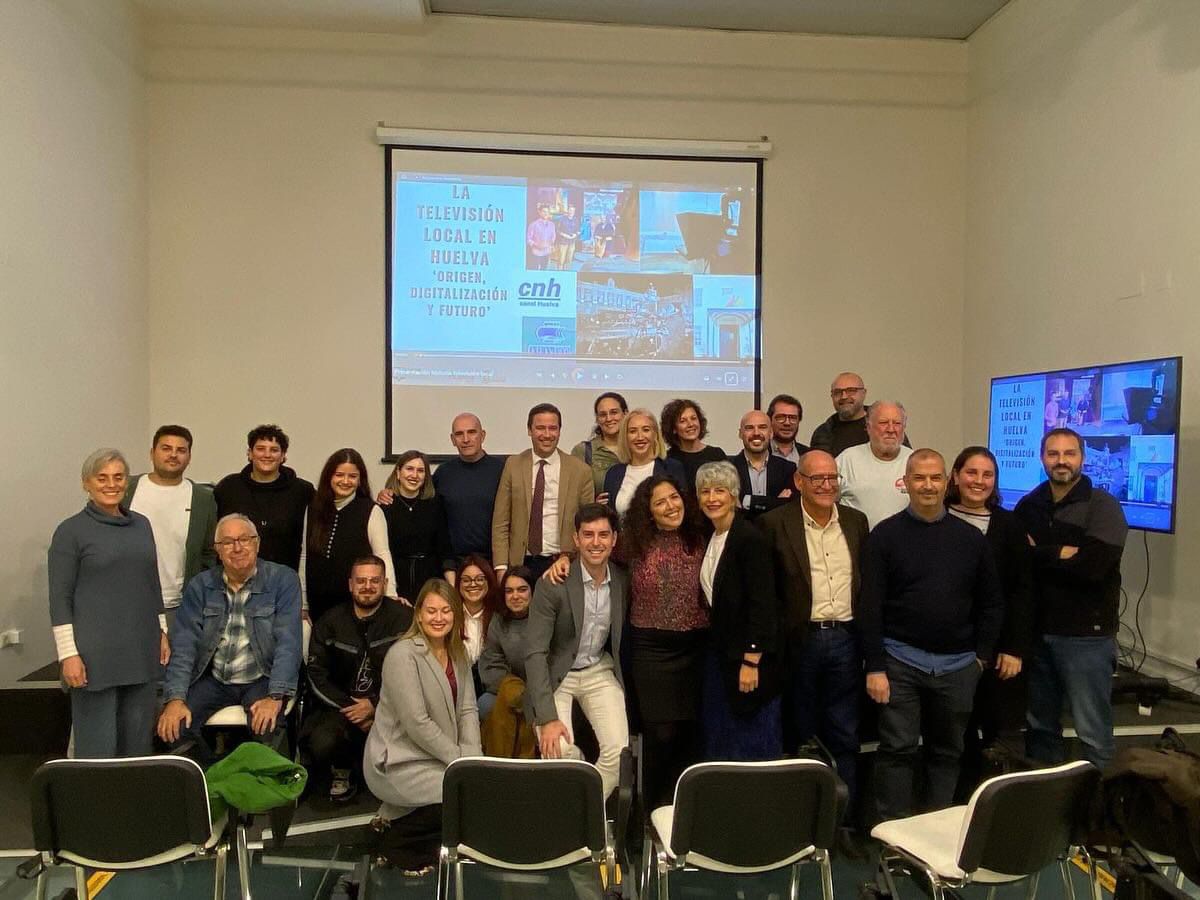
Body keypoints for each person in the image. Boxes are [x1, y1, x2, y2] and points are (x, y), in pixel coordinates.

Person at [859, 450, 1004, 820]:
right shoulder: (884, 536)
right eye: (919, 478)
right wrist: (875, 666)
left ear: (947, 481)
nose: (927, 486)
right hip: (900, 662)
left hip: (959, 667)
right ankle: (891, 834)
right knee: (897, 749)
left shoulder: (971, 539)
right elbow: (870, 605)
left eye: (935, 478)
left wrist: (980, 659)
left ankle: (934, 830)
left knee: (947, 752)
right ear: (905, 483)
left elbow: (991, 604)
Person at [758, 449, 869, 805]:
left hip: (846, 639)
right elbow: (768, 592)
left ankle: (842, 823)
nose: (826, 485)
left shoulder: (856, 521)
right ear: (799, 482)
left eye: (832, 478)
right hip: (800, 641)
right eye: (817, 478)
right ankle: (803, 818)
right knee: (801, 731)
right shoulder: (775, 524)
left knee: (845, 734)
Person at [1014, 428, 1127, 770]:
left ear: (1082, 457)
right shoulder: (1029, 505)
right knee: (1040, 728)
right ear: (1042, 457)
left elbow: (1094, 567)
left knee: (1092, 731)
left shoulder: (1103, 506)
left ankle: (1103, 811)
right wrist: (1060, 553)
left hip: (1085, 638)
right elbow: (1019, 561)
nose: (1061, 461)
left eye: (1069, 453)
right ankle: (1045, 806)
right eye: (1053, 453)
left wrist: (1042, 554)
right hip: (1038, 633)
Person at [158, 513, 303, 764]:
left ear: (257, 543)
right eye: (227, 542)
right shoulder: (200, 586)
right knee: (173, 727)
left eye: (244, 539)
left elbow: (289, 643)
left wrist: (275, 696)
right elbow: (184, 644)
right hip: (214, 679)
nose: (237, 548)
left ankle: (252, 794)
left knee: (266, 727)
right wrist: (175, 699)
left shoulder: (282, 580)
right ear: (217, 550)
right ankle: (212, 783)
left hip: (261, 678)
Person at [49, 449, 167, 757]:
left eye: (118, 477)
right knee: (97, 748)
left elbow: (151, 582)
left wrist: (162, 631)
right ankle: (94, 806)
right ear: (86, 483)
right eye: (102, 478)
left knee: (138, 745)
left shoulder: (142, 525)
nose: (111, 484)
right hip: (93, 657)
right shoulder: (70, 532)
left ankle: (130, 805)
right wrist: (68, 656)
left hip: (140, 649)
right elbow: (59, 597)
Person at [363, 579, 481, 873]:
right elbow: (417, 722)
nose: (438, 618)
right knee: (463, 796)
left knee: (473, 791)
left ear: (456, 614)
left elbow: (468, 709)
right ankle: (395, 844)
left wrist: (472, 756)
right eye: (431, 611)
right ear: (418, 614)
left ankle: (397, 819)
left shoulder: (459, 653)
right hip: (397, 760)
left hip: (437, 756)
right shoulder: (403, 655)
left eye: (445, 611)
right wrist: (460, 762)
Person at [525, 504, 629, 799]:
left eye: (603, 535)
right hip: (558, 672)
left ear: (614, 540)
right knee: (557, 749)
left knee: (618, 754)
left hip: (598, 670)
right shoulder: (553, 583)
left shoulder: (622, 580)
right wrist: (546, 718)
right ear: (576, 539)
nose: (596, 542)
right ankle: (574, 801)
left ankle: (586, 809)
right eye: (588, 535)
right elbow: (534, 653)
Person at [945, 446, 1034, 791]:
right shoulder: (937, 517)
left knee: (996, 731)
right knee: (955, 731)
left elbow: (1022, 591)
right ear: (955, 476)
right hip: (951, 648)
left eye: (987, 475)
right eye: (971, 473)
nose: (978, 481)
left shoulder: (1009, 525)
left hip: (998, 651)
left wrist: (1014, 648)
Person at [623, 476, 710, 808]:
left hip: (697, 647)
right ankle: (651, 813)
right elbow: (593, 552)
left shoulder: (704, 537)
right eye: (660, 502)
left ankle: (683, 812)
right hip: (650, 650)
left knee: (690, 733)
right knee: (660, 734)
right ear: (648, 513)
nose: (670, 506)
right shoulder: (631, 544)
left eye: (674, 497)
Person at [303, 555, 412, 801]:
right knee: (322, 742)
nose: (367, 587)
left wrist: (374, 704)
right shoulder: (329, 622)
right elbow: (316, 674)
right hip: (341, 708)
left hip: (392, 705)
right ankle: (343, 770)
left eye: (374, 581)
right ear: (350, 584)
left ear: (384, 584)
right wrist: (352, 708)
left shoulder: (404, 619)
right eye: (361, 581)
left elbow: (412, 672)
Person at [694, 461, 781, 760]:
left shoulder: (749, 539)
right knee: (723, 741)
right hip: (721, 656)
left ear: (734, 495)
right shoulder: (714, 536)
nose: (712, 498)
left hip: (748, 661)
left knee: (751, 745)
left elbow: (763, 604)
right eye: (705, 491)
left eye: (720, 490)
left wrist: (752, 660)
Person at [124, 425, 218, 630]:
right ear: (152, 452)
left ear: (189, 456)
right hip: (127, 605)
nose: (173, 455)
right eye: (166, 448)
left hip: (178, 607)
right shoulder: (126, 489)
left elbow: (209, 552)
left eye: (181, 450)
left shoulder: (203, 498)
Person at [492, 403, 595, 581]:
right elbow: (501, 522)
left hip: (563, 563)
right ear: (529, 430)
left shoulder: (580, 471)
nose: (547, 435)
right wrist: (501, 569)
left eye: (552, 428)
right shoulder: (513, 465)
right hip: (520, 564)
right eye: (540, 428)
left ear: (560, 431)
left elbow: (587, 525)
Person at [301, 449, 397, 622]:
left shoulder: (371, 510)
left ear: (360, 480)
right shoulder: (313, 508)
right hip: (317, 607)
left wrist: (390, 596)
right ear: (329, 476)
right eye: (339, 475)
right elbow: (304, 556)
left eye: (352, 476)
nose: (345, 481)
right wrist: (303, 601)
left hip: (356, 607)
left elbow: (382, 555)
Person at [214, 424, 315, 570]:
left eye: (274, 450)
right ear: (249, 453)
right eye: (260, 449)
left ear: (283, 456)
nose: (267, 455)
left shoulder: (302, 491)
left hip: (284, 580)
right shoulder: (228, 488)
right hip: (235, 576)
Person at [424, 413, 506, 566]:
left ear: (482, 435)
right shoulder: (443, 473)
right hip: (454, 564)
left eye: (472, 432)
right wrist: (389, 493)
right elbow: (419, 500)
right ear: (452, 439)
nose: (466, 439)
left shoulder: (502, 471)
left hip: (493, 563)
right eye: (459, 434)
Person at [380, 450, 454, 604]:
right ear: (398, 473)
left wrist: (452, 588)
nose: (414, 475)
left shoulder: (436, 503)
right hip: (396, 579)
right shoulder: (385, 506)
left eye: (421, 471)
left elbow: (445, 549)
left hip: (430, 577)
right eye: (409, 469)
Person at [478, 566, 536, 757]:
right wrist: (516, 693)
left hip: (542, 690)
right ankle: (501, 763)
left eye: (522, 589)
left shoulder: (545, 619)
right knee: (485, 704)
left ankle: (525, 761)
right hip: (508, 689)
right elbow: (491, 665)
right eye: (509, 591)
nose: (515, 596)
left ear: (533, 591)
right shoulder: (498, 620)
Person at [837, 401, 914, 529]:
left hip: (905, 543)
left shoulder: (915, 461)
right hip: (859, 544)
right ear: (868, 427)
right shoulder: (847, 459)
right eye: (883, 423)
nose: (891, 429)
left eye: (897, 423)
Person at [603, 408, 686, 515]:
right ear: (625, 437)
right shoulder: (613, 474)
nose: (640, 437)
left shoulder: (672, 468)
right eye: (633, 431)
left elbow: (682, 510)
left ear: (655, 434)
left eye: (646, 430)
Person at [809, 372, 911, 458]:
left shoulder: (885, 426)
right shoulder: (823, 434)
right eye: (838, 392)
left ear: (864, 393)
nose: (844, 396)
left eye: (851, 391)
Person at [729, 409, 796, 520]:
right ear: (740, 434)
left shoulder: (788, 469)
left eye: (762, 427)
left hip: (776, 536)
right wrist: (776, 503)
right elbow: (731, 514)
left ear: (771, 433)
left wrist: (748, 502)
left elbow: (790, 509)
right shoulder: (728, 468)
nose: (756, 433)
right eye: (749, 428)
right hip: (741, 535)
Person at [661, 398, 727, 492]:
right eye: (683, 421)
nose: (690, 424)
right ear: (674, 429)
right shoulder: (668, 459)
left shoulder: (716, 454)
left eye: (693, 418)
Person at [571, 392, 627, 497]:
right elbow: (573, 495)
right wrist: (592, 505)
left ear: (625, 413)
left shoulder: (638, 448)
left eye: (614, 412)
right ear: (597, 419)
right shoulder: (583, 451)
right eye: (603, 415)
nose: (609, 419)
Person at [767, 393, 810, 466]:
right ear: (770, 420)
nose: (787, 423)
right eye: (781, 417)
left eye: (793, 418)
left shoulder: (809, 454)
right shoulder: (761, 453)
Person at [526, 203, 556, 269]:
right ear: (539, 212)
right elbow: (528, 239)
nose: (546, 213)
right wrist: (536, 245)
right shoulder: (533, 224)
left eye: (547, 212)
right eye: (544, 211)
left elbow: (553, 236)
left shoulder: (552, 225)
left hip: (547, 252)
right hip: (536, 253)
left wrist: (551, 244)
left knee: (544, 269)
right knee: (535, 270)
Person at [554, 204, 580, 269]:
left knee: (569, 259)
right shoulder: (562, 219)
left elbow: (578, 230)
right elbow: (557, 230)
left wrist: (575, 234)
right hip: (563, 242)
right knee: (561, 259)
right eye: (570, 210)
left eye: (573, 211)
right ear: (567, 210)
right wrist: (564, 235)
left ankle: (567, 272)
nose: (571, 212)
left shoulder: (576, 220)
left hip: (572, 242)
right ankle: (559, 273)